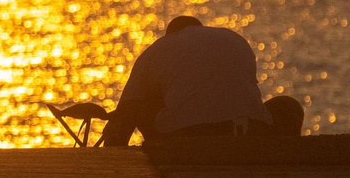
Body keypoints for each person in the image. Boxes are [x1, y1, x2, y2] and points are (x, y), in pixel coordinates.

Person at [100, 15, 274, 145]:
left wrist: (113, 149)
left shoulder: (158, 49)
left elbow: (127, 110)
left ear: (170, 34)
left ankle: (156, 150)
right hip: (248, 130)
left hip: (184, 136)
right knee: (286, 104)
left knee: (141, 103)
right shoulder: (235, 39)